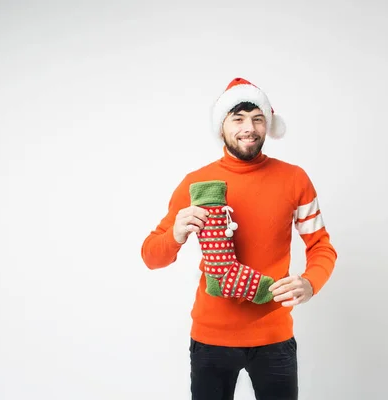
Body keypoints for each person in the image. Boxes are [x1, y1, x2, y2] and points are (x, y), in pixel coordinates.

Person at [141, 77, 337, 400]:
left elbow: (322, 247)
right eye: (239, 118)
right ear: (222, 126)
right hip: (210, 339)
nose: (250, 127)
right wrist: (175, 235)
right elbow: (150, 255)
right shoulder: (197, 184)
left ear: (268, 125)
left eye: (258, 118)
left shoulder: (294, 180)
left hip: (274, 337)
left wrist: (310, 282)